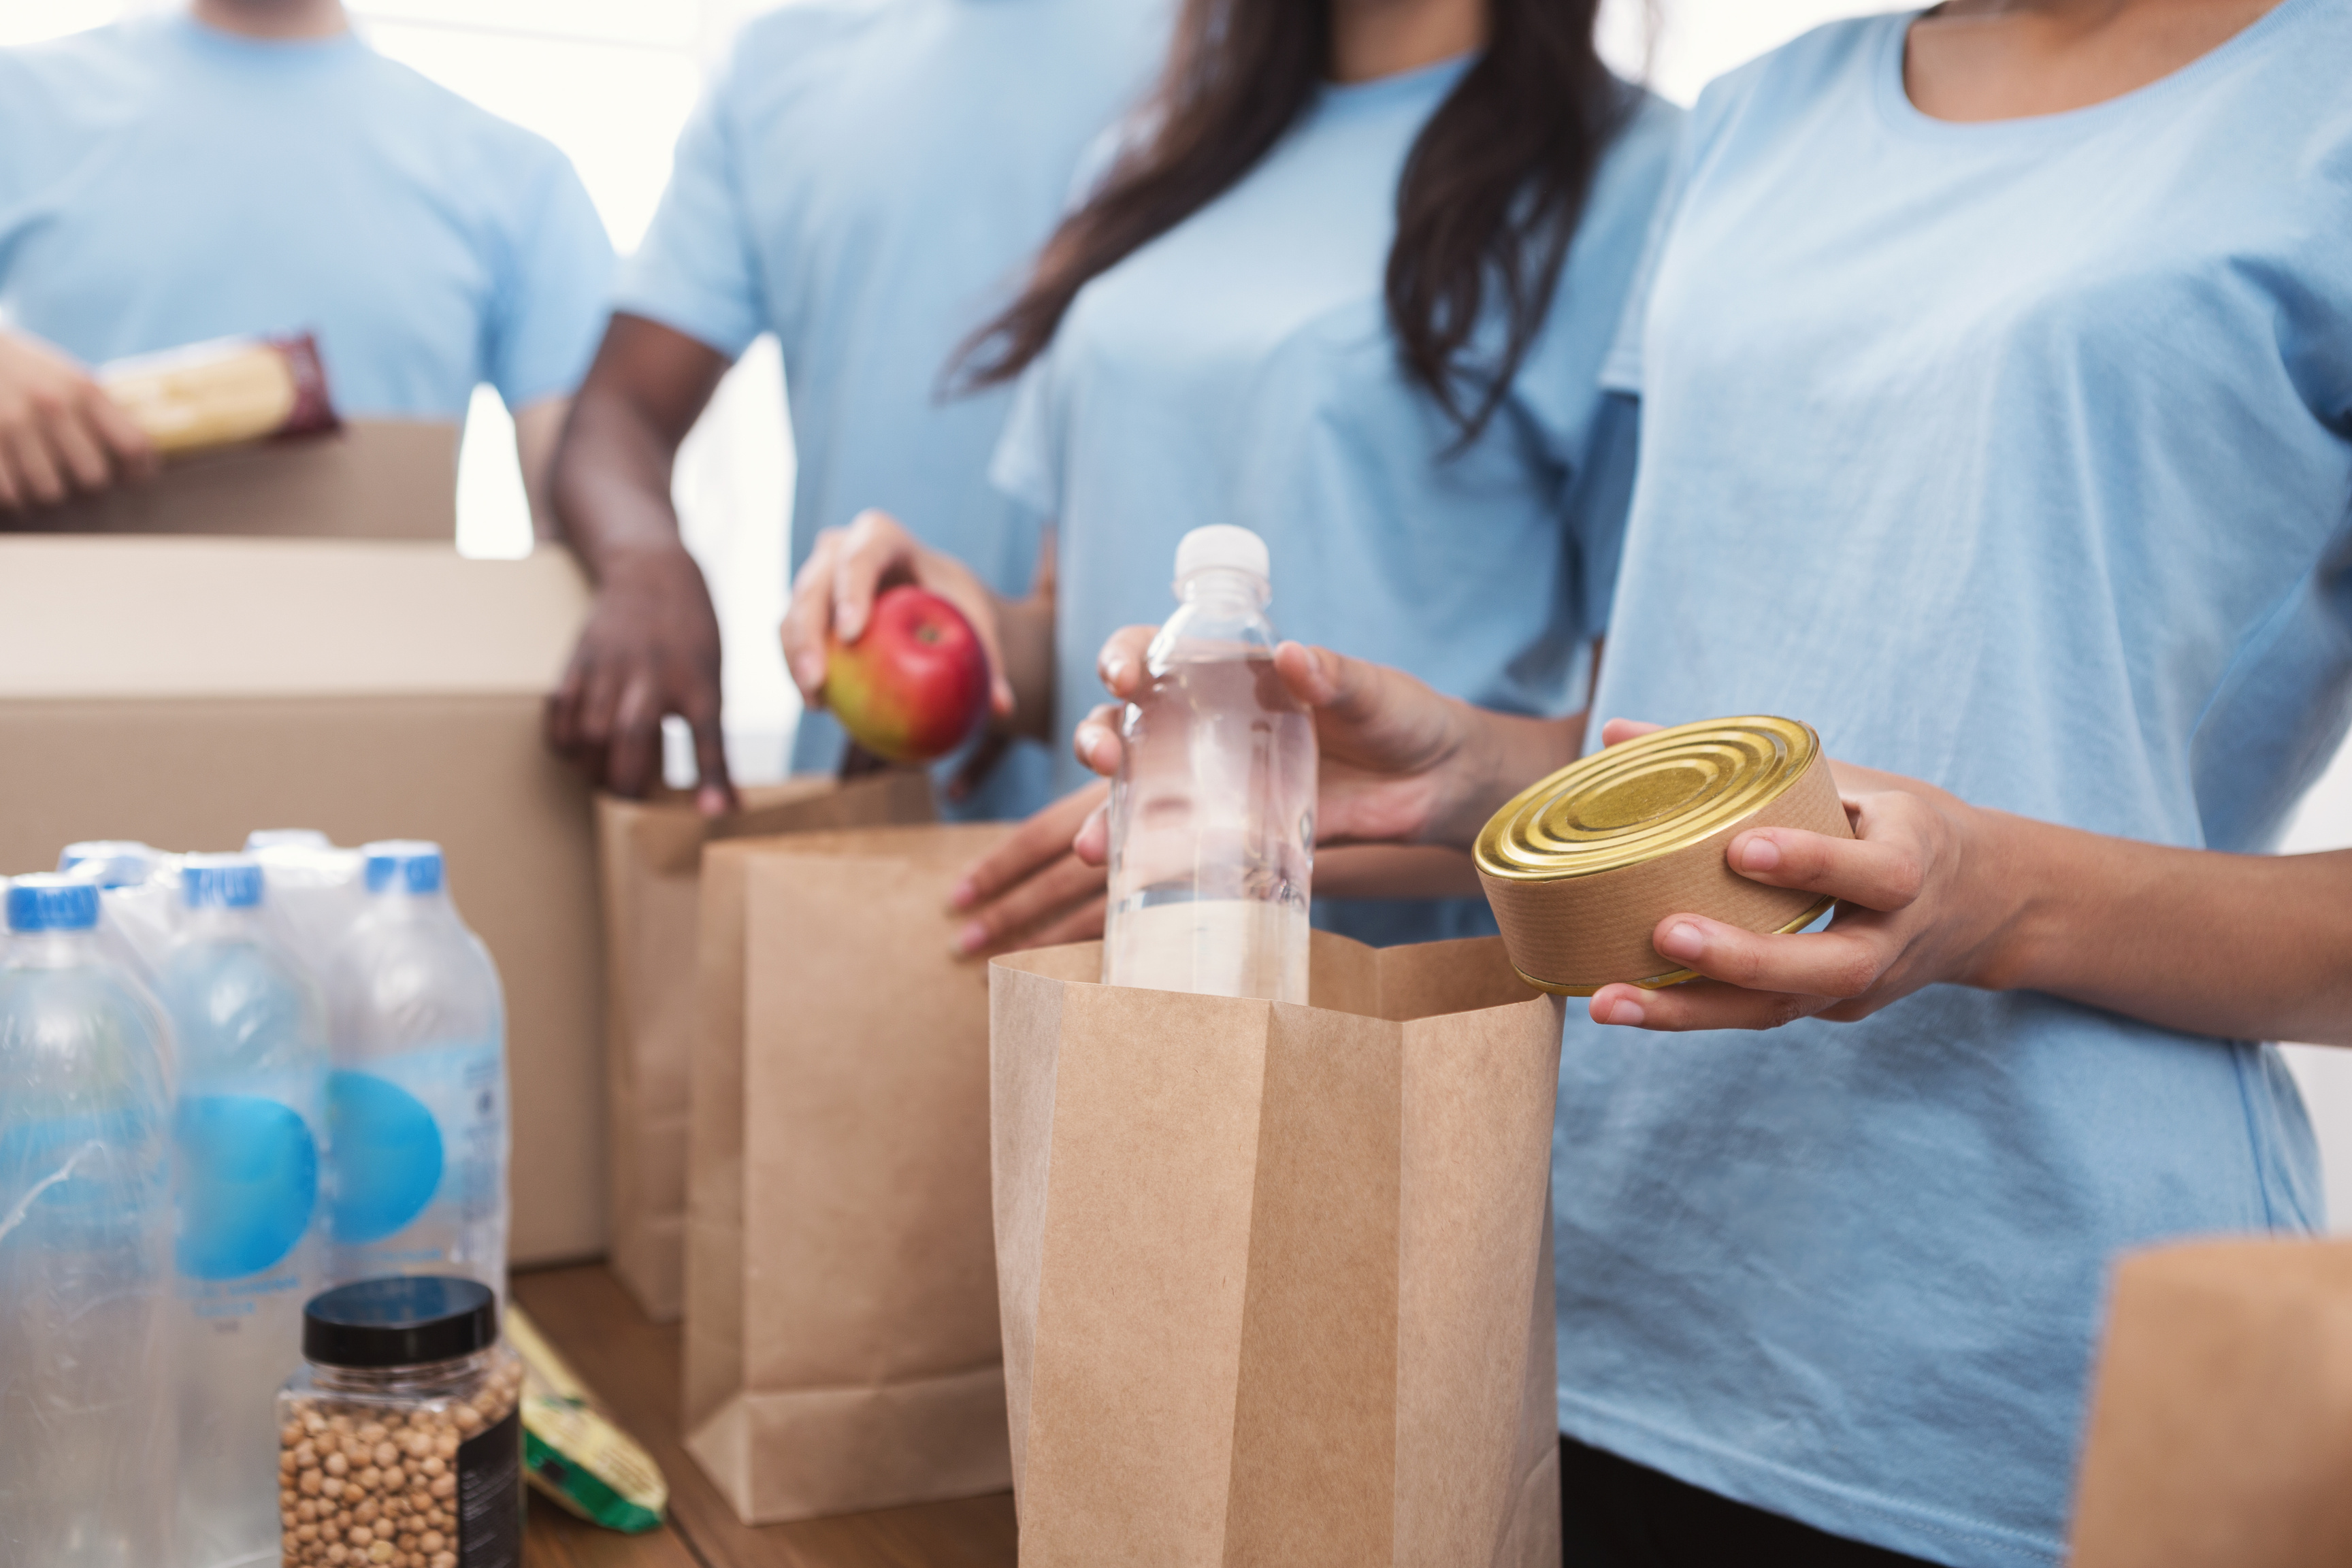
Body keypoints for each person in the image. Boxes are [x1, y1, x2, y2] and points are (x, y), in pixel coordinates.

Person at [1069, 0, 2352, 1561]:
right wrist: (1473, 777)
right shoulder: (1756, 118)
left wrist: (1997, 902)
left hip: (2019, 1376)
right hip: (1584, 1299)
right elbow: (1672, 745)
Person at [780, 0, 1680, 951]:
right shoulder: (1149, 157)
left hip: (1385, 1001)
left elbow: (1636, 765)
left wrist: (1238, 839)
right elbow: (1097, 636)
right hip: (1113, 985)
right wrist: (968, 627)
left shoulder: (1642, 179)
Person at [545, 0, 1168, 818]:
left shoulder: (1244, 47)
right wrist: (644, 561)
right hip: (866, 810)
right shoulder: (777, 68)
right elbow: (619, 409)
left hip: (1161, 827)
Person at [0, 0, 613, 529]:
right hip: (60, 642)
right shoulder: (19, 104)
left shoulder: (519, 180)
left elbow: (593, 504)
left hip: (378, 650)